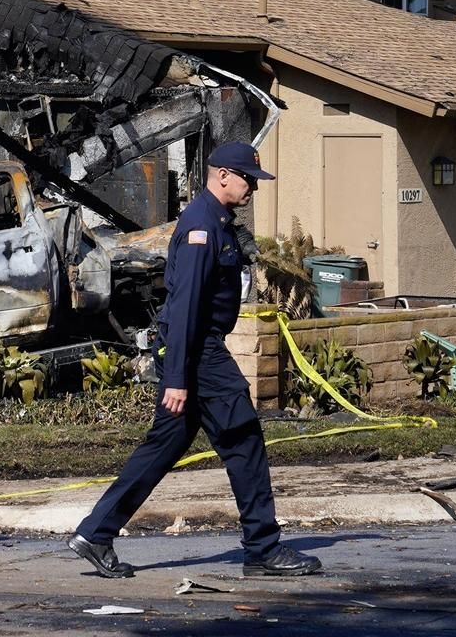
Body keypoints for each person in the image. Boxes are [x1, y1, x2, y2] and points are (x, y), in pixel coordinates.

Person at [68, 143, 320, 579]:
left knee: (162, 448)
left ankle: (95, 533)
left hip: (195, 350)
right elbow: (185, 307)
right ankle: (263, 548)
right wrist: (177, 379)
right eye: (247, 179)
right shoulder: (202, 227)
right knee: (244, 442)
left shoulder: (217, 222)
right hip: (199, 351)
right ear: (222, 175)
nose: (253, 188)